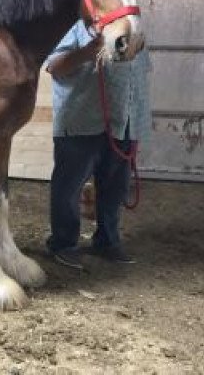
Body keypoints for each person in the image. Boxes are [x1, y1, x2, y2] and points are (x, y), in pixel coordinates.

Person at [45, 20, 151, 270]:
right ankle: (63, 243)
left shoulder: (134, 29)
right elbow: (54, 66)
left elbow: (139, 76)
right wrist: (88, 51)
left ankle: (107, 241)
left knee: (116, 188)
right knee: (69, 187)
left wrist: (135, 121)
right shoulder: (78, 28)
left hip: (122, 121)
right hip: (81, 119)